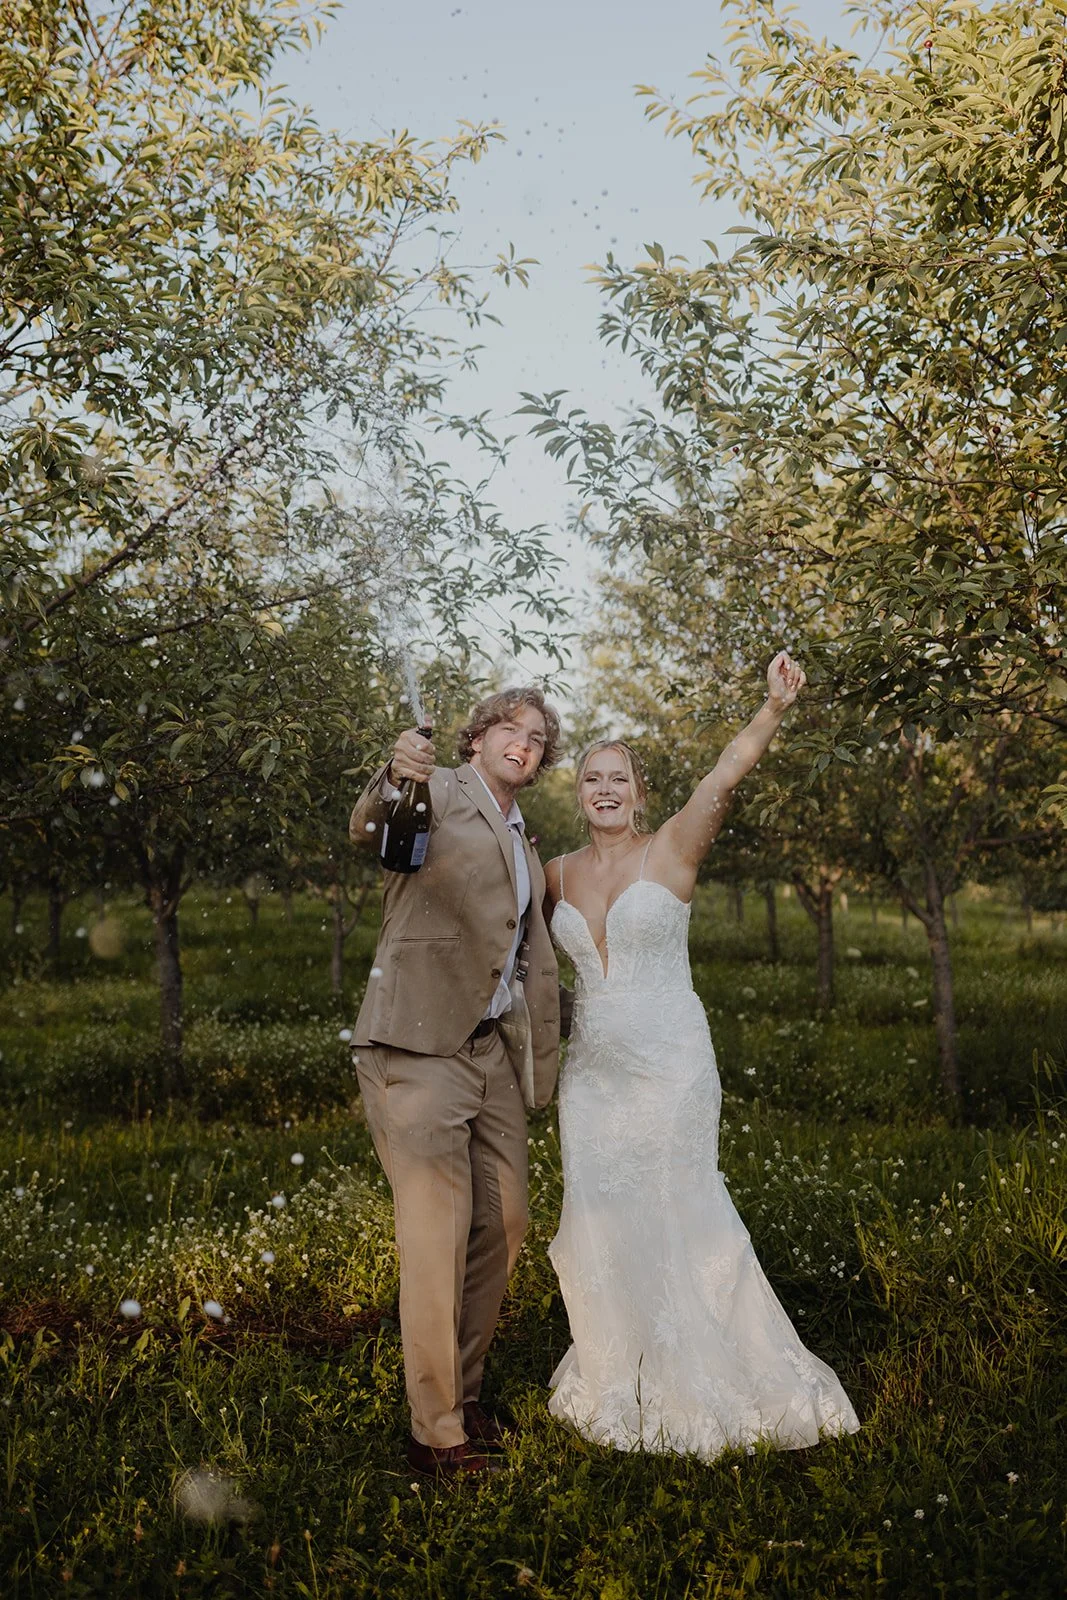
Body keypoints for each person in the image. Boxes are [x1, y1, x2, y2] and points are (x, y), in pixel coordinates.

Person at [543, 652, 860, 1460]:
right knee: (599, 1218)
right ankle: (618, 1368)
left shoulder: (674, 847)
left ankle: (716, 1369)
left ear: (639, 791)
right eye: (590, 780)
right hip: (592, 1079)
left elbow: (726, 771)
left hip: (671, 1066)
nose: (604, 790)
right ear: (575, 794)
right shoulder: (553, 873)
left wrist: (772, 709)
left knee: (684, 1208)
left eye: (617, 778)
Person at [349, 687, 562, 1479]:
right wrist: (395, 774)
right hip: (415, 1046)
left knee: (504, 1224)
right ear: (476, 738)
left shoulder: (519, 834)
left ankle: (463, 1389)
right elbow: (379, 838)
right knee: (435, 1238)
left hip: (487, 1052)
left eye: (538, 737)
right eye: (512, 727)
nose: (525, 742)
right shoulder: (434, 788)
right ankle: (434, 1433)